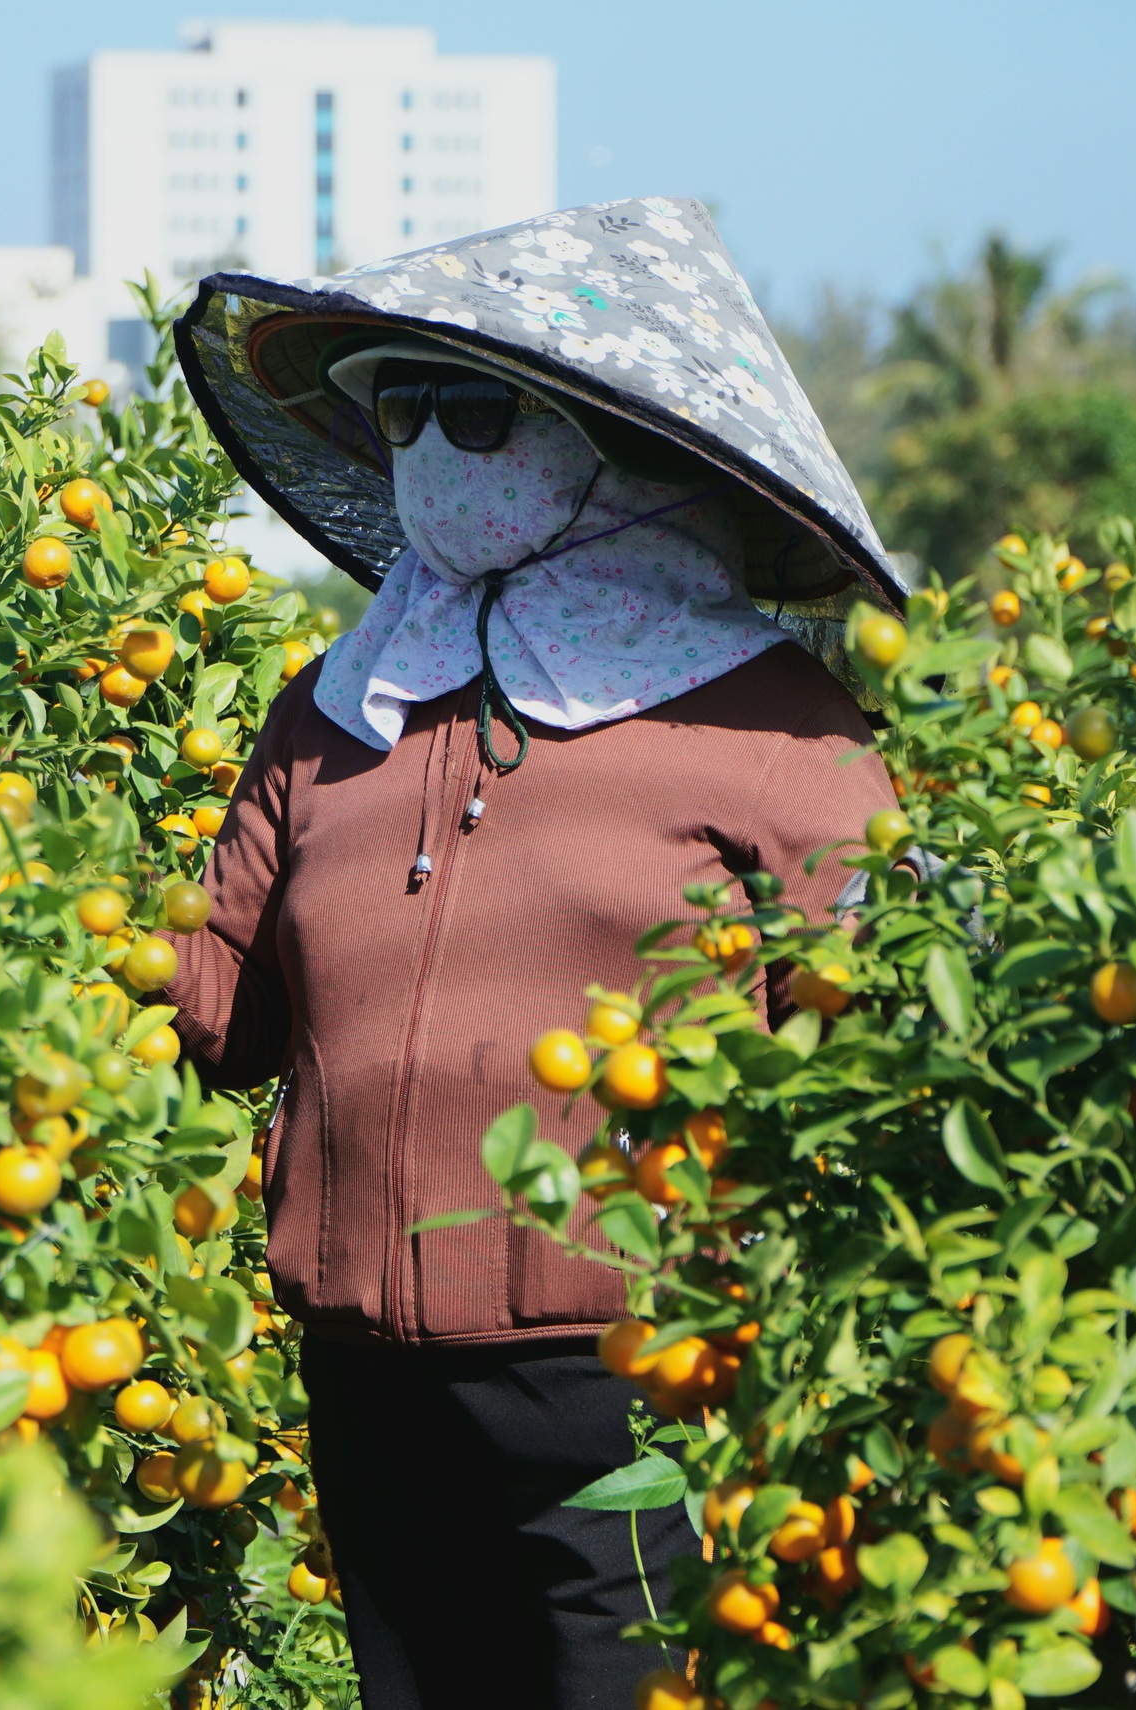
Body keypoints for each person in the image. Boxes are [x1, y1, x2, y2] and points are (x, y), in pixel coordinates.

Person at [161, 198, 907, 1710]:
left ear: (603, 441)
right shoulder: (345, 705)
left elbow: (881, 1058)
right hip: (364, 1367)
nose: (431, 452)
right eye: (405, 410)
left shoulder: (772, 730)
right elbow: (213, 1012)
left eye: (478, 409)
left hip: (633, 1377)